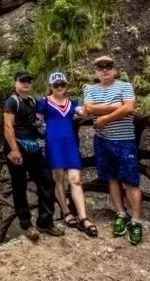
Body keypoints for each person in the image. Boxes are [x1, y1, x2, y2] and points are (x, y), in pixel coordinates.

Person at [83, 56, 143, 245]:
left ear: (114, 70)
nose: (105, 70)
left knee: (131, 181)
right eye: (100, 68)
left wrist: (103, 119)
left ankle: (136, 220)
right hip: (102, 141)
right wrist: (117, 106)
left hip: (124, 140)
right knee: (112, 178)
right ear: (96, 72)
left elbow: (129, 108)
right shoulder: (90, 89)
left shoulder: (125, 86)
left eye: (108, 67)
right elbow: (89, 108)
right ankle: (121, 213)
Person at [3, 70, 65, 241]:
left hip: (33, 147)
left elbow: (42, 117)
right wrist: (14, 150)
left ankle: (45, 221)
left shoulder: (32, 101)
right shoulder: (12, 101)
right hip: (17, 148)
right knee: (19, 186)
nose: (26, 84)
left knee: (47, 181)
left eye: (29, 81)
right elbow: (8, 126)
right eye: (22, 81)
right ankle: (26, 225)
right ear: (15, 83)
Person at [37, 72, 98, 237]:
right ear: (50, 86)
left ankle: (84, 217)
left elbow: (83, 113)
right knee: (58, 179)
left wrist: (88, 96)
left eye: (62, 85)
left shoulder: (72, 103)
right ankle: (65, 211)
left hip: (70, 144)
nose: (59, 88)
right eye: (55, 85)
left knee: (75, 179)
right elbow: (37, 122)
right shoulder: (44, 102)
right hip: (53, 144)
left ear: (66, 86)